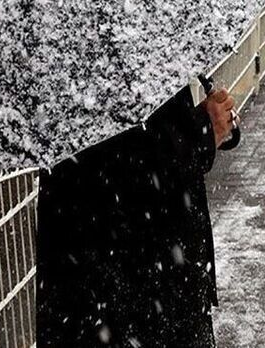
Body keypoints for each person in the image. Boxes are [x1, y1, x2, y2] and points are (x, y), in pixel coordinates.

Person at [37, 86, 236, 347]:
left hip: (107, 281)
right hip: (138, 280)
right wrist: (201, 132)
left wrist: (206, 126)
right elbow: (131, 162)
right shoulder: (105, 76)